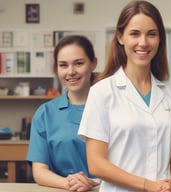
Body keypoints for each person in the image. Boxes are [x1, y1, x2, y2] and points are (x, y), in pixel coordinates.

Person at [77, 1, 171, 192]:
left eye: (152, 34)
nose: (143, 42)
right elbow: (96, 163)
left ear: (160, 39)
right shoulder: (102, 92)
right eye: (135, 33)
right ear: (120, 37)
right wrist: (149, 186)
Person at [26, 35, 99, 191]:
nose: (71, 72)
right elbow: (39, 171)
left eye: (79, 63)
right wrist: (72, 184)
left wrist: (94, 183)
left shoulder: (112, 108)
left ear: (93, 63)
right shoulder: (45, 114)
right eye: (63, 65)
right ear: (57, 69)